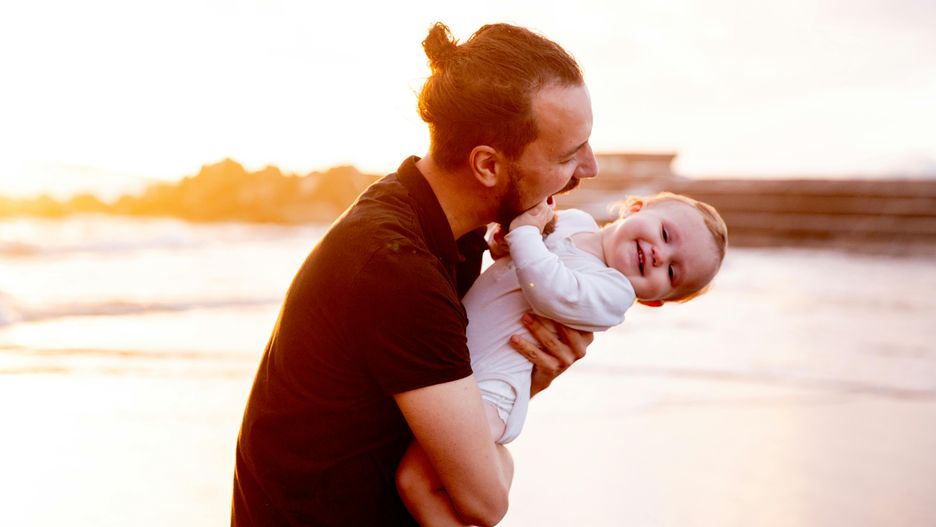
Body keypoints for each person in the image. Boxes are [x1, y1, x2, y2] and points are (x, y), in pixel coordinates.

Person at [232, 21, 599, 526]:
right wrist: (527, 379)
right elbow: (485, 502)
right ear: (487, 166)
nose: (590, 168)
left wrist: (524, 376)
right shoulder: (396, 269)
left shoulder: (444, 228)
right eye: (568, 155)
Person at [396, 192, 728, 525]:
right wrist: (502, 239)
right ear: (635, 208)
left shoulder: (614, 293)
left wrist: (524, 233)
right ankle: (497, 464)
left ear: (653, 301)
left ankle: (491, 479)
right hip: (458, 365)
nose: (660, 254)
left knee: (416, 480)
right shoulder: (575, 221)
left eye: (672, 271)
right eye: (666, 234)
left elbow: (550, 290)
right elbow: (516, 256)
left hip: (490, 393)